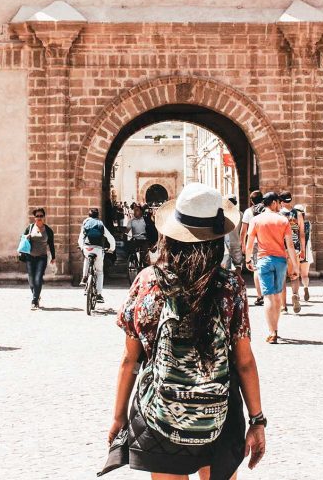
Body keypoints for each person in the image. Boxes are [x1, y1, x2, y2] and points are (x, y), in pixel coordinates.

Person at [105, 182, 265, 479]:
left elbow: (131, 360)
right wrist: (257, 420)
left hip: (159, 411)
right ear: (217, 238)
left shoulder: (147, 282)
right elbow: (243, 361)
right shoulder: (229, 285)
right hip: (219, 412)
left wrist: (118, 418)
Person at [246, 192, 300, 343]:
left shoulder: (256, 220)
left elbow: (250, 242)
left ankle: (272, 332)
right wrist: (295, 266)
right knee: (277, 296)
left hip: (263, 260)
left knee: (268, 297)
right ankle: (275, 328)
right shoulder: (283, 220)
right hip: (280, 261)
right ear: (275, 202)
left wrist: (248, 259)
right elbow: (289, 245)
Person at [79, 207, 116, 304]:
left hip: (87, 248)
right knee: (99, 272)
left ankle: (84, 277)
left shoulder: (86, 223)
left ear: (89, 215)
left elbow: (81, 237)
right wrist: (112, 248)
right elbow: (110, 238)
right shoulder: (100, 224)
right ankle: (99, 294)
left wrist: (82, 247)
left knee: (86, 259)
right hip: (98, 249)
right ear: (98, 215)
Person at [21, 208, 56, 310]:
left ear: (44, 217)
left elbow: (51, 244)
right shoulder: (30, 228)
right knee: (31, 280)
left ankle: (34, 300)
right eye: (37, 216)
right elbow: (22, 239)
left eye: (41, 216)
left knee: (38, 278)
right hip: (30, 257)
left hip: (42, 258)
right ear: (34, 217)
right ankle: (36, 294)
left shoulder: (48, 230)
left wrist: (53, 257)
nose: (39, 218)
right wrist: (26, 237)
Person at [278, 193, 306, 313]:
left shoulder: (278, 215)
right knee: (294, 276)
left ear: (281, 201)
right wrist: (303, 250)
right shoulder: (298, 214)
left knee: (282, 278)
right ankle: (295, 294)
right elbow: (302, 234)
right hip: (295, 248)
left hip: (281, 248)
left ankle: (283, 306)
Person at [240, 190, 264, 305]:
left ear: (251, 200)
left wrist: (243, 245)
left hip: (254, 243)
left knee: (256, 269)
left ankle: (260, 296)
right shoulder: (266, 211)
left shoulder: (248, 212)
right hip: (267, 241)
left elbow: (243, 231)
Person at [222, 195, 243, 271]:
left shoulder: (223, 214)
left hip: (225, 243)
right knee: (238, 265)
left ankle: (229, 282)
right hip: (236, 242)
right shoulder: (240, 214)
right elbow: (242, 230)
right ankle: (239, 280)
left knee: (226, 267)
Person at [128, 204, 152, 269]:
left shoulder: (145, 220)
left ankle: (145, 266)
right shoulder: (131, 221)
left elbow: (150, 230)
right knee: (130, 249)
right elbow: (127, 230)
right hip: (135, 239)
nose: (135, 212)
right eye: (134, 210)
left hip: (144, 239)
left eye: (137, 210)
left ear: (141, 212)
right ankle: (133, 260)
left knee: (145, 255)